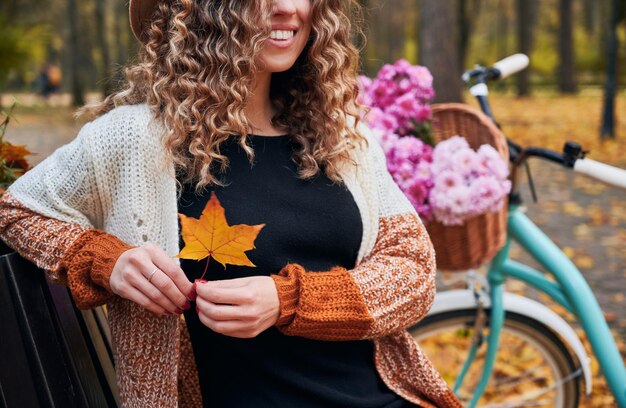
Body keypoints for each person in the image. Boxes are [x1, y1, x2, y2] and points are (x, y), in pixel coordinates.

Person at [0, 0, 461, 407]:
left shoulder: (343, 140)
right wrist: (106, 261)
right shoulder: (134, 140)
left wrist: (287, 301)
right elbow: (17, 210)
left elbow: (414, 271)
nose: (286, 8)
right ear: (202, 10)